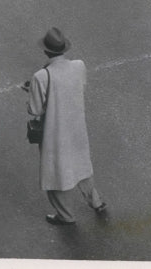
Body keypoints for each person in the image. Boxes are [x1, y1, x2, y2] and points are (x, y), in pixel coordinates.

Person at [25, 27, 107, 226]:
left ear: (46, 51)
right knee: (82, 165)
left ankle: (66, 215)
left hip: (55, 132)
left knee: (55, 173)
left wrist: (30, 92)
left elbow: (34, 110)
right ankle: (96, 201)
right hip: (76, 126)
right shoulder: (79, 66)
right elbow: (76, 86)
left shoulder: (40, 76)